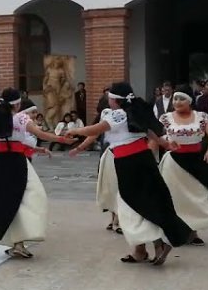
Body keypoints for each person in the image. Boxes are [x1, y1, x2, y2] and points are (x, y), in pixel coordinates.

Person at [65, 83, 194, 265]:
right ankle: (158, 243)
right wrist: (164, 144)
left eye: (110, 97)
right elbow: (150, 132)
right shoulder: (135, 111)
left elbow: (95, 130)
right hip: (143, 158)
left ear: (115, 100)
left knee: (133, 202)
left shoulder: (119, 113)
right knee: (151, 199)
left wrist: (74, 130)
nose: (108, 99)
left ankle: (155, 243)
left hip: (129, 162)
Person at [0, 88, 71, 259]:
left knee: (3, 201)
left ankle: (15, 242)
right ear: (18, 103)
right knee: (31, 198)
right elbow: (40, 133)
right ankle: (20, 241)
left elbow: (6, 141)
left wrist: (36, 148)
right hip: (16, 162)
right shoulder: (21, 118)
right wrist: (62, 139)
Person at [157, 92, 208, 243]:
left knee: (196, 195)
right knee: (175, 197)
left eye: (182, 99)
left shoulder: (202, 117)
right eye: (175, 98)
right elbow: (155, 136)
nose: (177, 102)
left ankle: (193, 231)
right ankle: (175, 232)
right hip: (173, 161)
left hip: (196, 160)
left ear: (190, 101)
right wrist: (162, 145)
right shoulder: (166, 118)